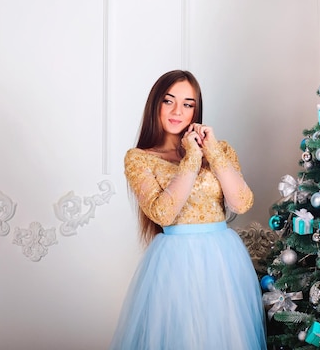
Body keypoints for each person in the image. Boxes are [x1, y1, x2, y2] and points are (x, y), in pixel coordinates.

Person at [110, 70, 266, 349]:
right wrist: (192, 158)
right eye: (168, 101)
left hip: (223, 258)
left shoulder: (220, 150)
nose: (177, 111)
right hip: (175, 261)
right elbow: (163, 214)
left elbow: (241, 202)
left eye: (188, 104)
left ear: (197, 109)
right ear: (155, 105)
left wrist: (211, 150)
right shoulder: (139, 158)